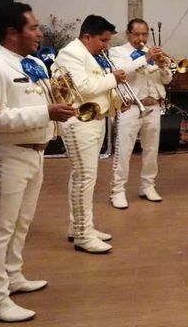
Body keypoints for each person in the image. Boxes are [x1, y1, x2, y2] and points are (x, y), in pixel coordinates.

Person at [0, 3, 75, 322]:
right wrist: (46, 113)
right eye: (33, 27)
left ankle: (12, 276)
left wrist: (55, 108)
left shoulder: (29, 62)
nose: (40, 33)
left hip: (35, 151)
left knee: (21, 223)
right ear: (12, 32)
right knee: (0, 229)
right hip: (8, 154)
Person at [54, 15, 126, 254]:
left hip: (94, 121)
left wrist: (116, 100)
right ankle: (83, 236)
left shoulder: (90, 55)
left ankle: (80, 227)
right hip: (78, 122)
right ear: (87, 37)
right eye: (103, 40)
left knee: (82, 178)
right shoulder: (70, 54)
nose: (106, 45)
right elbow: (83, 87)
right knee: (85, 178)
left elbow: (97, 86)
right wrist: (112, 79)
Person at [108, 19, 172, 209]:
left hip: (153, 107)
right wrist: (146, 58)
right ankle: (117, 191)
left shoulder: (152, 52)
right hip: (130, 107)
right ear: (128, 34)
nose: (141, 38)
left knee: (151, 149)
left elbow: (167, 79)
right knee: (124, 150)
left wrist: (162, 65)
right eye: (137, 34)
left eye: (144, 34)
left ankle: (148, 186)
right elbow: (121, 72)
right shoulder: (117, 52)